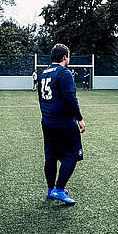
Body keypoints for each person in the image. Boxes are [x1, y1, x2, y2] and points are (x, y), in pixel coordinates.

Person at [38, 43, 86, 204]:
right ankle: (59, 189)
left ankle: (50, 189)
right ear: (65, 57)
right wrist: (79, 118)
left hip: (47, 121)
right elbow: (70, 98)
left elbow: (40, 99)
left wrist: (46, 115)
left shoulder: (44, 73)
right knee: (72, 155)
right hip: (64, 122)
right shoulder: (64, 73)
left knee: (51, 155)